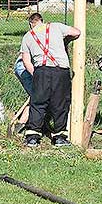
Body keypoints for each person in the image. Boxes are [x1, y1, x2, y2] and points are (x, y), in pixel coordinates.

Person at [20, 13, 81, 147]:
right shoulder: (56, 26)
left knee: (38, 103)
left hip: (41, 71)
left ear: (31, 24)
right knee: (60, 103)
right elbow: (77, 32)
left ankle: (32, 137)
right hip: (60, 71)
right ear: (42, 21)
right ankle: (59, 137)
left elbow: (26, 61)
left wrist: (36, 73)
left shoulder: (28, 36)